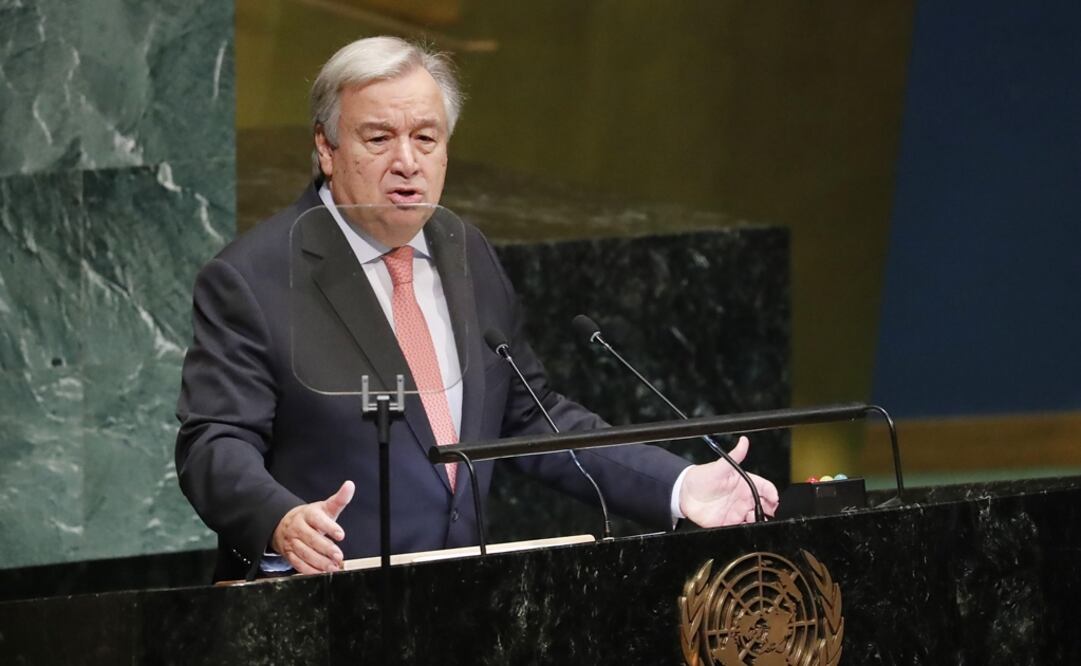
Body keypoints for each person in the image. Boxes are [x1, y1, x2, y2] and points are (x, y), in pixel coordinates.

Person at [175, 36, 778, 582]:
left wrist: (678, 485)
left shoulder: (464, 249)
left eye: (426, 138)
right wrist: (279, 519)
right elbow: (214, 442)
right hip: (320, 610)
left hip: (462, 609)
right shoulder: (253, 278)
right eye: (379, 139)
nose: (406, 161)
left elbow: (532, 418)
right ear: (326, 149)